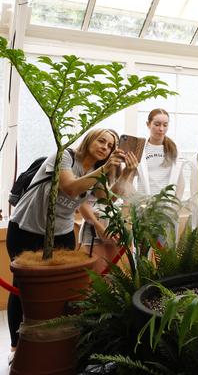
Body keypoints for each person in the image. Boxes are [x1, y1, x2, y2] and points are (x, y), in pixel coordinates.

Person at [6, 128, 133, 352]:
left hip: (61, 233)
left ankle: (52, 340)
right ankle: (17, 347)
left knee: (61, 287)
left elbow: (107, 199)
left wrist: (125, 173)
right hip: (26, 228)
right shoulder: (64, 156)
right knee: (22, 288)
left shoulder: (97, 170)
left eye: (111, 146)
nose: (105, 147)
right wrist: (105, 168)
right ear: (90, 139)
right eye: (101, 141)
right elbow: (70, 188)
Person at [134, 109, 184, 198]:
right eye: (157, 124)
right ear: (148, 124)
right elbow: (129, 178)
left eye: (165, 125)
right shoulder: (140, 148)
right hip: (143, 204)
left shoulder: (175, 149)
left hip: (167, 204)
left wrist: (177, 204)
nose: (161, 129)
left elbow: (180, 181)